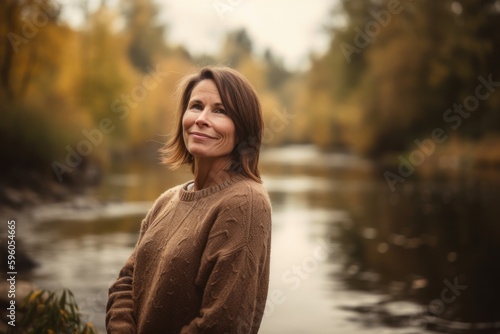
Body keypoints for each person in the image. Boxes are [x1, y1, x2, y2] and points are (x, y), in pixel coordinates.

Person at [106, 66, 272, 334]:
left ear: (243, 129)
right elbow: (125, 283)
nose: (202, 119)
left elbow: (223, 323)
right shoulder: (167, 200)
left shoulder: (246, 202)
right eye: (196, 106)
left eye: (220, 111)